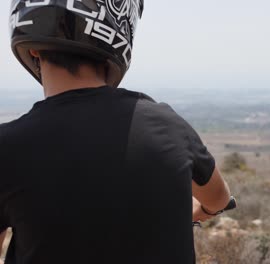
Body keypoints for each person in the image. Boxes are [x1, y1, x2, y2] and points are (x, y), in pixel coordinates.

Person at [0, 1, 231, 263]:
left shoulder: (7, 147)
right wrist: (202, 210)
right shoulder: (168, 126)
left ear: (33, 48)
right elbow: (219, 197)